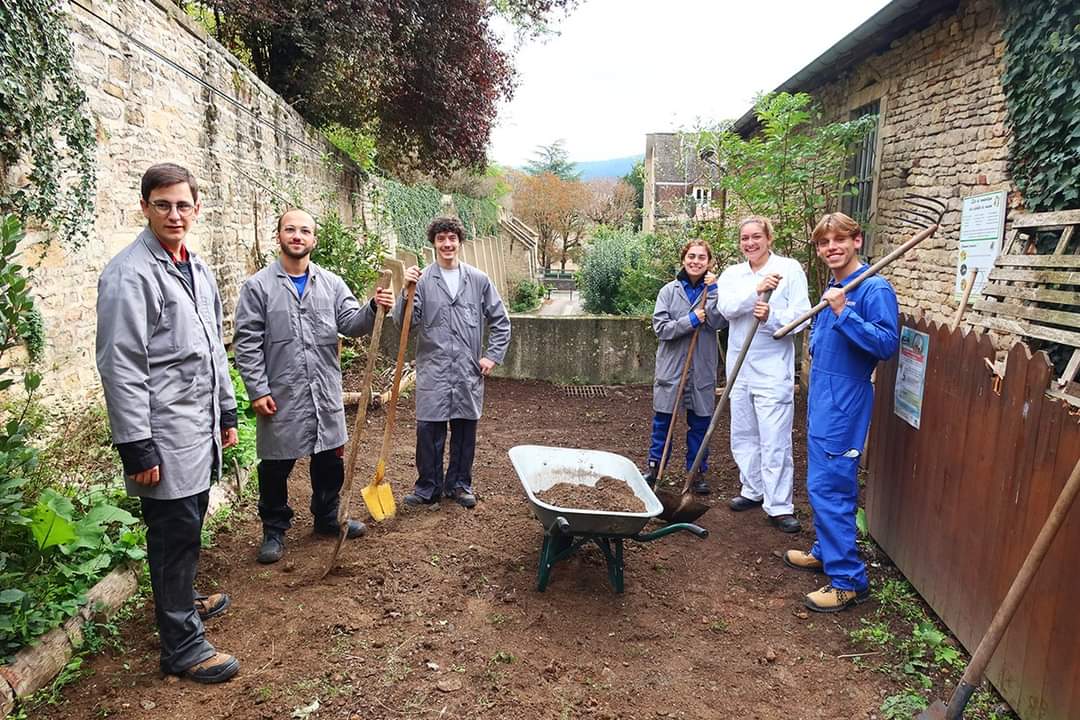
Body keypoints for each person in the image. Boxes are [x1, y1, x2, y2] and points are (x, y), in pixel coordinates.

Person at [96, 163, 240, 683]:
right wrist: (136, 444)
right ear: (145, 207)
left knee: (191, 519)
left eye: (183, 205)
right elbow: (121, 365)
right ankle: (181, 647)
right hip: (164, 433)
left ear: (196, 208)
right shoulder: (129, 273)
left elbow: (213, 353)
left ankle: (183, 601)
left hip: (198, 425)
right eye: (163, 204)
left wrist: (227, 410)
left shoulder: (195, 268)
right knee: (173, 532)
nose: (174, 214)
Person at [233, 209, 395, 564]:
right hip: (282, 392)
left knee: (329, 461)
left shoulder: (332, 284)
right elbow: (246, 343)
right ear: (279, 236)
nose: (297, 236)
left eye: (305, 231)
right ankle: (274, 529)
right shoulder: (258, 287)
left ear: (314, 240)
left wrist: (373, 307)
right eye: (290, 229)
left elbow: (351, 323)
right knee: (275, 466)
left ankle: (325, 517)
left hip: (323, 390)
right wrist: (258, 390)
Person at [784, 212, 899, 612]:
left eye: (838, 240)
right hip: (823, 398)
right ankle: (827, 550)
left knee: (831, 484)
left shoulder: (872, 289)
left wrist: (843, 312)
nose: (830, 248)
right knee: (821, 481)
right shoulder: (837, 286)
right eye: (823, 243)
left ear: (857, 241)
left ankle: (848, 579)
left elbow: (885, 345)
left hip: (845, 399)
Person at [395, 216, 511, 508]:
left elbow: (501, 321)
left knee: (464, 431)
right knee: (428, 431)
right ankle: (427, 488)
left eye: (452, 238)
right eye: (441, 239)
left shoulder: (478, 280)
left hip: (467, 370)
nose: (447, 244)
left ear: (459, 242)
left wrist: (492, 355)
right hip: (433, 369)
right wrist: (405, 291)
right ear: (433, 244)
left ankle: (459, 485)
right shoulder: (421, 282)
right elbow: (404, 323)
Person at [717, 217, 811, 533]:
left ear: (769, 238)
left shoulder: (790, 269)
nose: (750, 243)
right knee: (743, 433)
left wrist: (772, 316)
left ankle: (779, 505)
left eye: (756, 236)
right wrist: (755, 291)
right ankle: (752, 489)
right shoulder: (733, 275)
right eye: (744, 238)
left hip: (772, 370)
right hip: (739, 368)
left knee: (774, 437)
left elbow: (801, 319)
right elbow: (727, 308)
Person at [642, 239, 726, 495]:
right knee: (663, 421)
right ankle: (656, 468)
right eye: (691, 256)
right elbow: (661, 328)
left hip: (701, 367)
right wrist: (690, 320)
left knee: (700, 424)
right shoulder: (669, 291)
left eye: (702, 257)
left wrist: (712, 295)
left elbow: (719, 322)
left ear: (709, 263)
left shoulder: (715, 291)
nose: (696, 261)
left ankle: (696, 472)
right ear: (683, 259)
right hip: (672, 368)